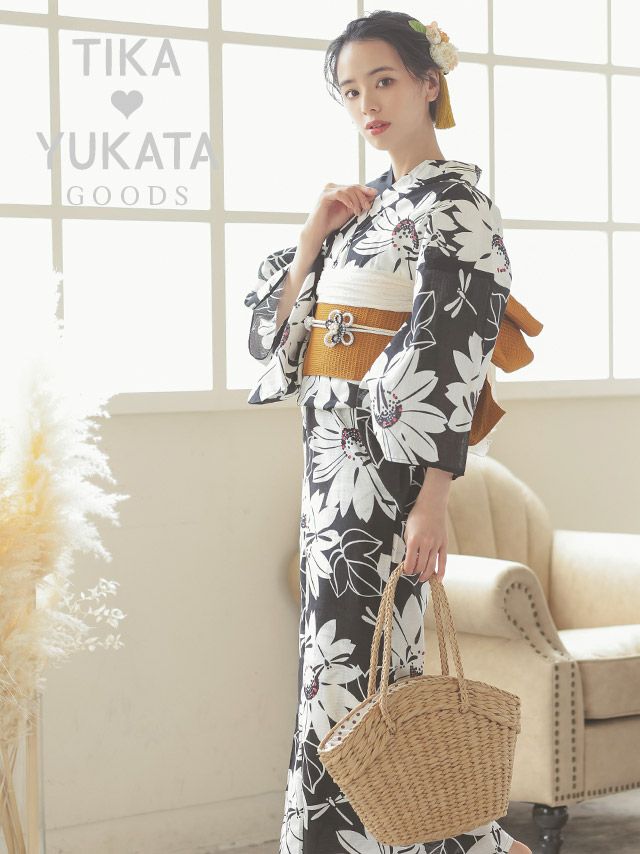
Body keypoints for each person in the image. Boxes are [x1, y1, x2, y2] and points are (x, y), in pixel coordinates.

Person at [244, 10, 532, 854]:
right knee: (333, 668)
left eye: (383, 81)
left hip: (388, 470)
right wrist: (312, 240)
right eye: (349, 91)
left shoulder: (458, 203)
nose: (366, 104)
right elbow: (278, 339)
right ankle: (462, 843)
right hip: (328, 466)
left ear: (428, 84)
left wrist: (433, 500)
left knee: (364, 674)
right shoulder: (359, 210)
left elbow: (453, 352)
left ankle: (451, 841)